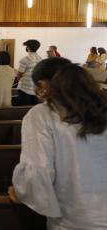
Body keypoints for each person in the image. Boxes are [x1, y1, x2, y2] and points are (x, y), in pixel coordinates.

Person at [10, 57, 107, 229]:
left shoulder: (43, 114)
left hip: (76, 218)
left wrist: (22, 192)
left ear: (41, 85)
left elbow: (38, 169)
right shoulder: (102, 108)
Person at [16, 39, 42, 106]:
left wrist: (19, 78)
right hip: (35, 87)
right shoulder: (40, 59)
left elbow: (19, 75)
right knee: (33, 107)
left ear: (28, 47)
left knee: (23, 108)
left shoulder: (25, 59)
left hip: (24, 88)